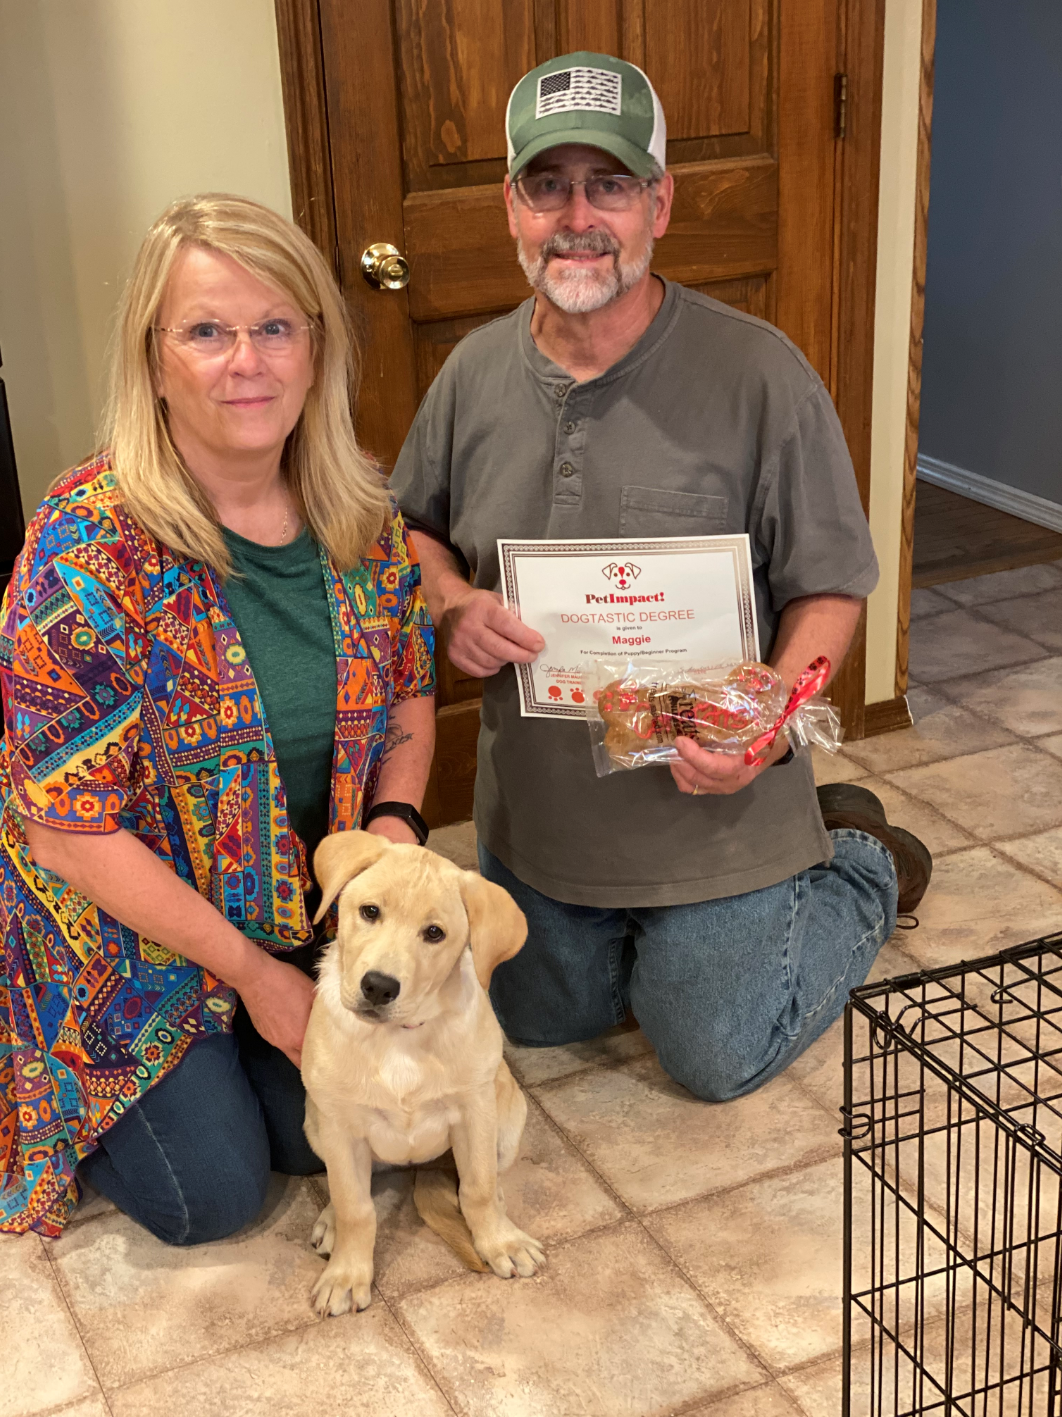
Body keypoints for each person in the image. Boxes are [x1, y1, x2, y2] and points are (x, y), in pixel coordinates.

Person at [390, 52, 930, 1102]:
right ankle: (649, 936)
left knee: (712, 1051)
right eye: (548, 185)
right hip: (540, 827)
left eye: (612, 184)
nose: (578, 216)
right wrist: (448, 600)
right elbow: (412, 533)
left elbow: (831, 586)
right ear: (512, 206)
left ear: (660, 203)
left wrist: (769, 719)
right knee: (534, 1022)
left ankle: (857, 858)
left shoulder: (759, 373)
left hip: (715, 811)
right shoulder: (470, 376)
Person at [0, 194, 436, 1241]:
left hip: (296, 907)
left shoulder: (364, 519)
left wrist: (393, 835)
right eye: (207, 331)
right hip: (125, 939)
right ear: (154, 361)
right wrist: (250, 978)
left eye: (276, 326)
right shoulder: (80, 553)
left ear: (315, 351)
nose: (248, 360)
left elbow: (412, 689)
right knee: (214, 1198)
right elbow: (66, 826)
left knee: (353, 1142)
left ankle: (245, 1036)